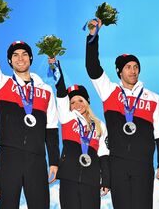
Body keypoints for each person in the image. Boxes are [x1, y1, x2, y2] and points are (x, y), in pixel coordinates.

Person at [84, 19, 159, 208]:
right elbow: (92, 67)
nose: (133, 71)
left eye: (136, 67)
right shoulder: (109, 91)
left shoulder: (153, 97)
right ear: (119, 71)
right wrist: (92, 37)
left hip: (143, 164)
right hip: (118, 164)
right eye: (128, 67)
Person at [0, 9, 59, 209]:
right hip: (9, 157)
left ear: (31, 59)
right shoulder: (1, 83)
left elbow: (51, 128)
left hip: (37, 158)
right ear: (9, 61)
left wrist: (54, 161)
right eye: (15, 55)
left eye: (24, 54)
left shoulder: (45, 90)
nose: (20, 58)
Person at [49, 57, 110, 209]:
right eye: (72, 102)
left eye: (80, 100)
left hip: (91, 179)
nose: (77, 105)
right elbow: (61, 94)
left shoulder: (99, 125)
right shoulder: (67, 117)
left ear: (87, 101)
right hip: (69, 177)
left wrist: (106, 180)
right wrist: (57, 69)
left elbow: (104, 154)